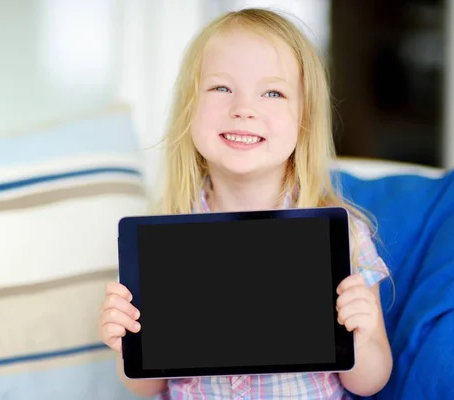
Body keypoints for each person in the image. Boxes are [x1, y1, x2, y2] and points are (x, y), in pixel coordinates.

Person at [98, 7, 392, 399]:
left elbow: (371, 381)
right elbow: (148, 385)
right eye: (221, 88)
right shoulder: (162, 241)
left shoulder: (343, 237)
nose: (243, 109)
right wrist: (126, 345)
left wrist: (365, 333)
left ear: (305, 119)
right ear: (189, 108)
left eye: (273, 92)